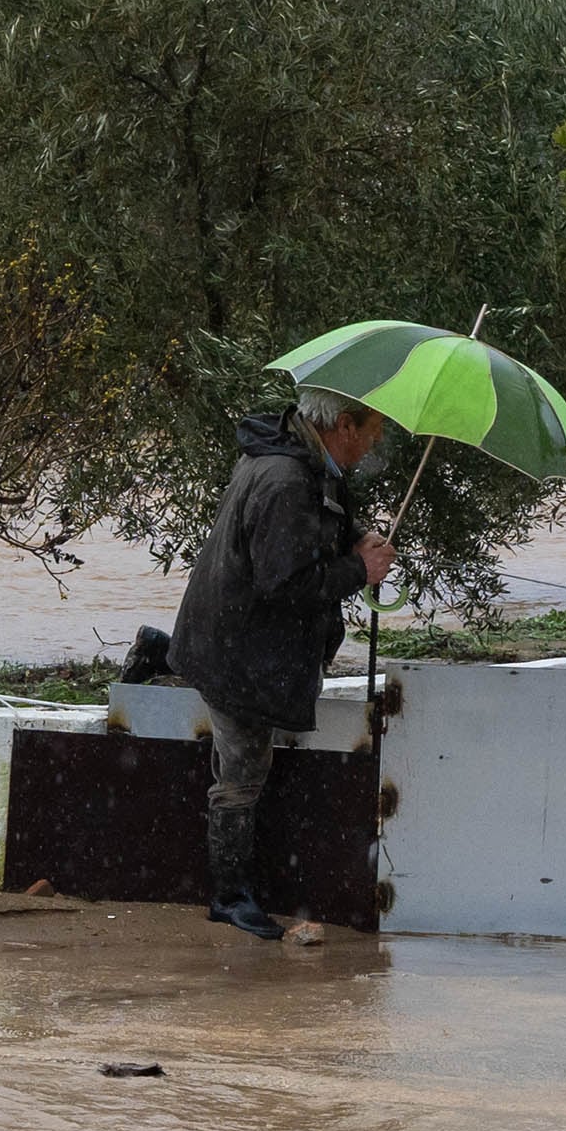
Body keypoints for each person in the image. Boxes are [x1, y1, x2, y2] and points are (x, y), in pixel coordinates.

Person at [168, 386, 398, 939]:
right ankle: (229, 897)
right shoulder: (286, 480)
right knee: (242, 775)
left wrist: (355, 541)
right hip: (239, 651)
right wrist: (359, 571)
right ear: (344, 426)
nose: (373, 444)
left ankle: (158, 648)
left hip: (236, 639)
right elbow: (284, 583)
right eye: (371, 432)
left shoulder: (301, 460)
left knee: (242, 766)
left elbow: (308, 537)